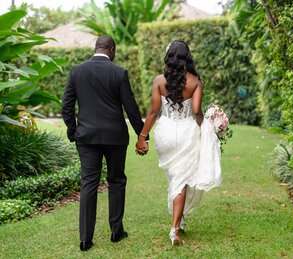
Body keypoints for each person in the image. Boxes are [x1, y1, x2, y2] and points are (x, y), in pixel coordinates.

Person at [62, 35, 148, 251]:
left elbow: (67, 106)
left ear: (96, 48)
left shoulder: (77, 71)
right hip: (115, 138)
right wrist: (142, 134)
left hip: (86, 137)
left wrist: (73, 131)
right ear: (111, 49)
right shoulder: (119, 73)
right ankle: (116, 232)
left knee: (88, 183)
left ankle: (85, 239)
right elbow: (131, 107)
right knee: (117, 180)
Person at [135, 40, 221, 245]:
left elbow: (154, 111)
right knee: (181, 179)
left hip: (164, 133)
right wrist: (206, 127)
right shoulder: (195, 81)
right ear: (187, 58)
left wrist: (142, 137)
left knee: (174, 176)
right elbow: (197, 111)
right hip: (186, 132)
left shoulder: (158, 81)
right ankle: (175, 229)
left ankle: (179, 220)